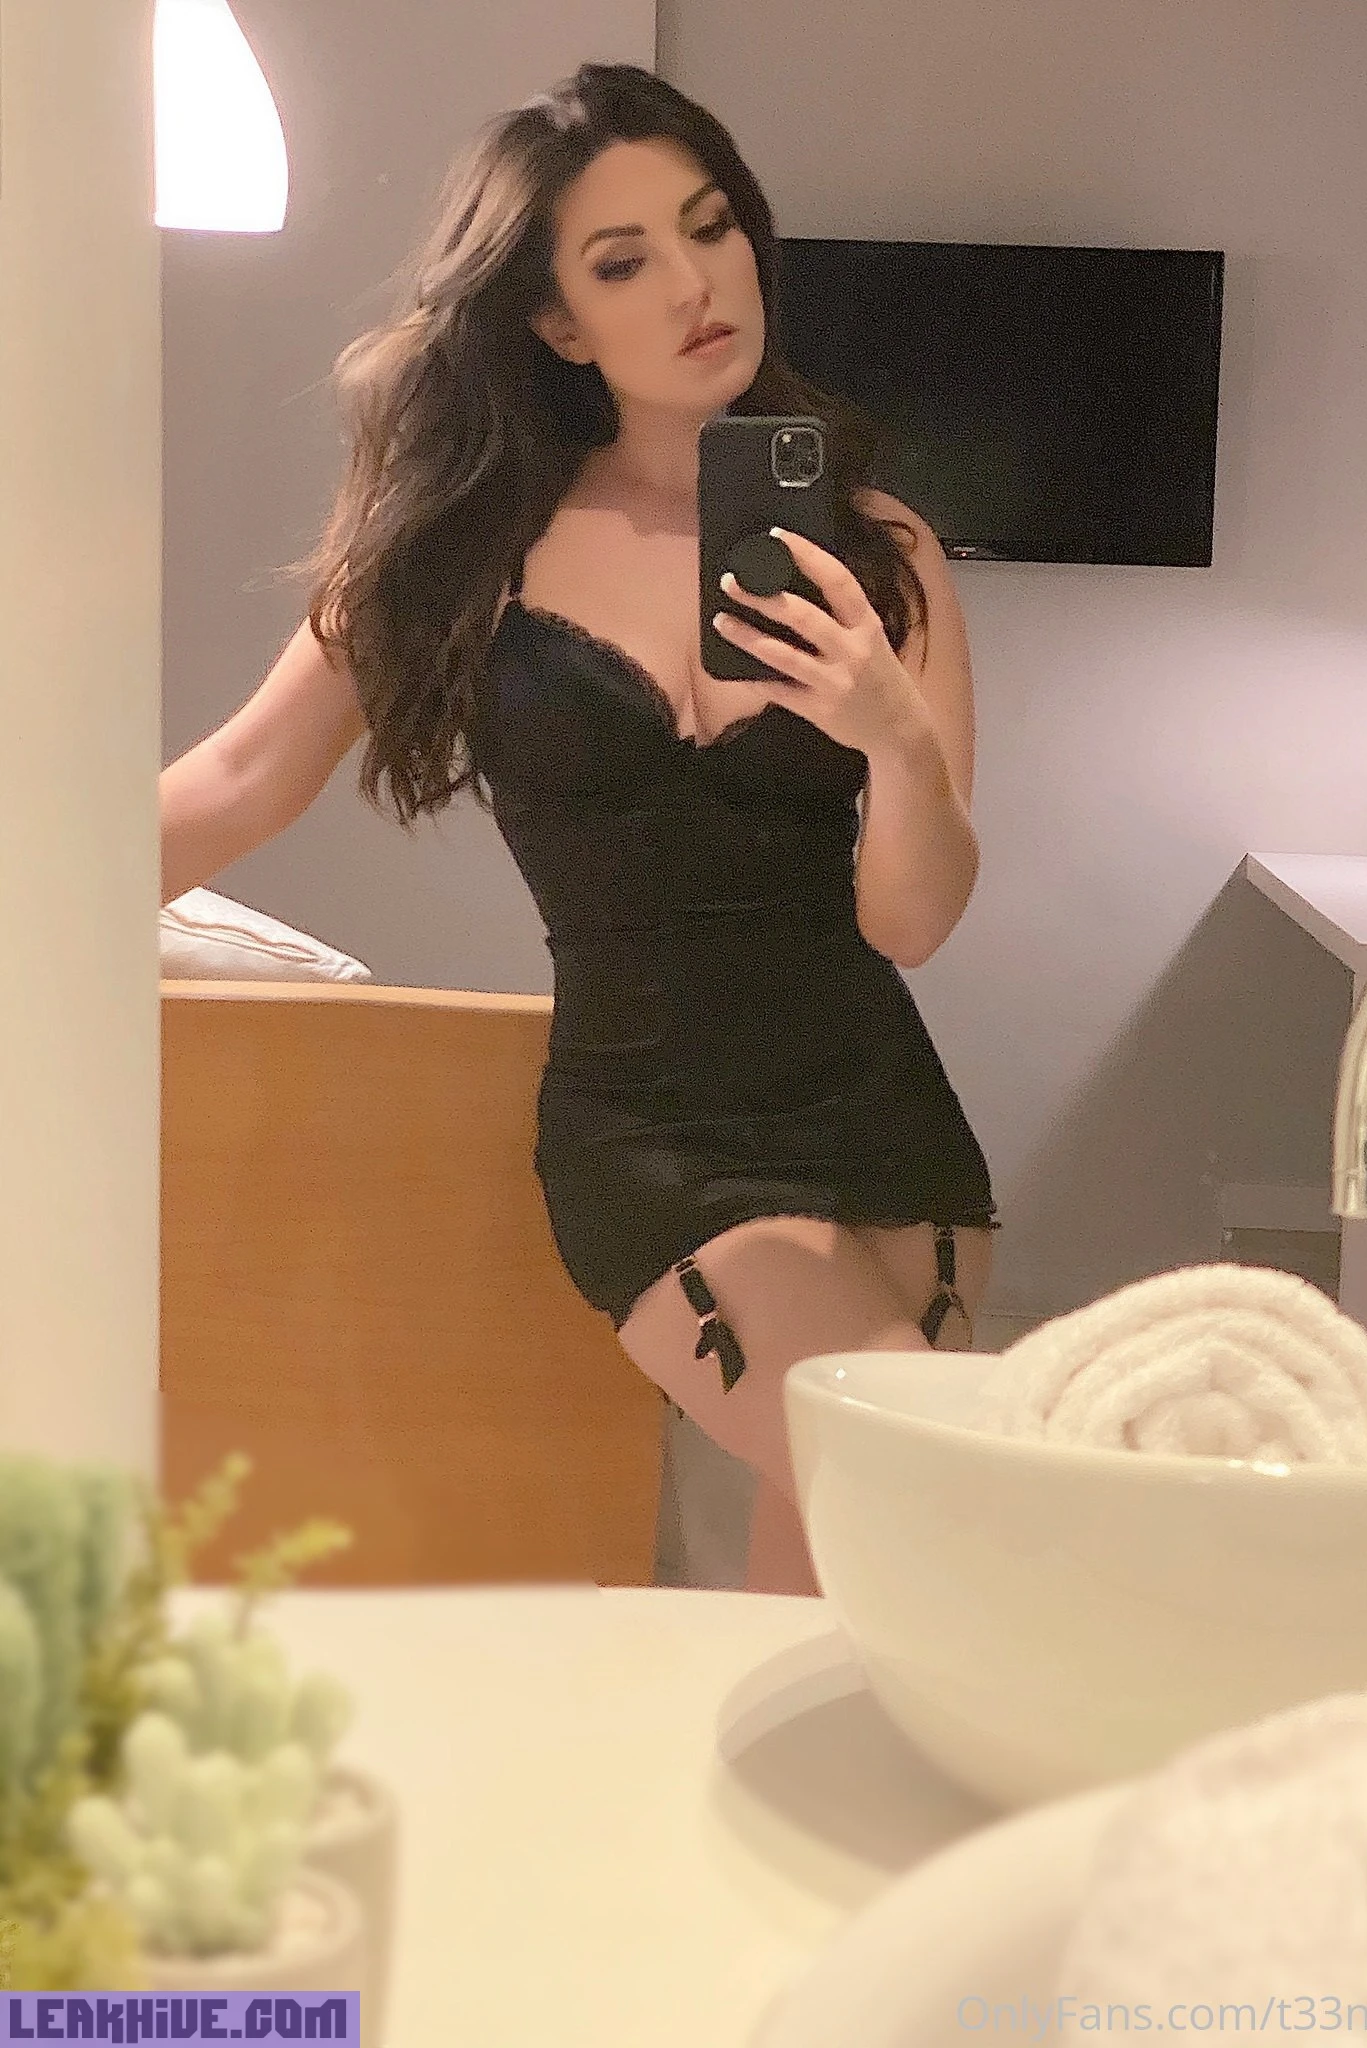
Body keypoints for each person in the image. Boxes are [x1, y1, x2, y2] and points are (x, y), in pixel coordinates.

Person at [159, 61, 999, 1597]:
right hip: (655, 1139)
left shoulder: (879, 551)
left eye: (711, 227)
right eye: (625, 262)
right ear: (556, 323)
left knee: (837, 1607)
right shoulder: (463, 551)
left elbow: (914, 919)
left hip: (886, 1126)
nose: (694, 284)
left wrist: (893, 735)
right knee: (931, 1480)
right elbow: (233, 784)